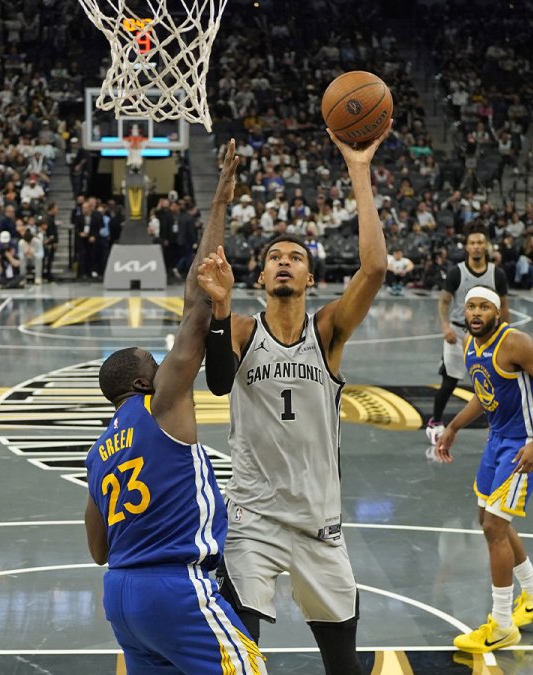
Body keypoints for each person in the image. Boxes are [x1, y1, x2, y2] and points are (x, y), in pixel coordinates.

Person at [202, 128, 390, 675]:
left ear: (311, 276)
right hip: (251, 522)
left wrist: (358, 168)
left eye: (296, 257)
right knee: (239, 663)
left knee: (344, 667)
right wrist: (218, 311)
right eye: (274, 257)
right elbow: (216, 383)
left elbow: (374, 270)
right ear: (260, 275)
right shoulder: (238, 329)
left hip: (319, 525)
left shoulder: (327, 330)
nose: (284, 262)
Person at [84, 141, 266, 674]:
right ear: (145, 380)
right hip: (176, 588)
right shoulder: (162, 405)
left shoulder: (99, 452)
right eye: (156, 365)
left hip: (120, 596)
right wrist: (217, 207)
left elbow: (98, 549)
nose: (168, 368)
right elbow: (196, 302)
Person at [434, 286, 533, 653]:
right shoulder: (470, 344)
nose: (476, 312)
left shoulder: (516, 342)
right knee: (487, 518)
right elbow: (484, 393)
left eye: (484, 307)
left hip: (524, 443)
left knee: (495, 526)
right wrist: (454, 426)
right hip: (497, 441)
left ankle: (502, 624)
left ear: (497, 312)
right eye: (471, 306)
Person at [426, 225, 510, 446]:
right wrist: (445, 327)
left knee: (492, 381)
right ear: (467, 247)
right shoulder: (457, 272)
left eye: (480, 242)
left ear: (486, 246)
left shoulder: (497, 273)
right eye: (472, 243)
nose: (476, 246)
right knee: (450, 381)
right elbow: (444, 301)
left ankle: (498, 426)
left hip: (489, 337)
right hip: (458, 333)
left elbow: (505, 308)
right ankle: (435, 422)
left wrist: (506, 334)